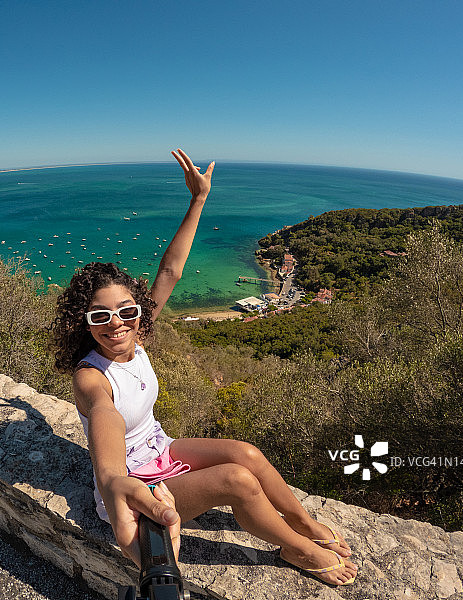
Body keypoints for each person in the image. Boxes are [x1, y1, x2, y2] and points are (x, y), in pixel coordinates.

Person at [51, 149, 358, 586]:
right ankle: (299, 548)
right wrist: (114, 483)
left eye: (126, 310)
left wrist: (198, 200)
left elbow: (171, 269)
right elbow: (105, 430)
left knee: (246, 453)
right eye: (100, 316)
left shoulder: (137, 335)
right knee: (236, 479)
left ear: (138, 311)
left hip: (160, 450)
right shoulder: (91, 377)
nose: (116, 323)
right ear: (84, 323)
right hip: (137, 489)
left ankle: (304, 524)